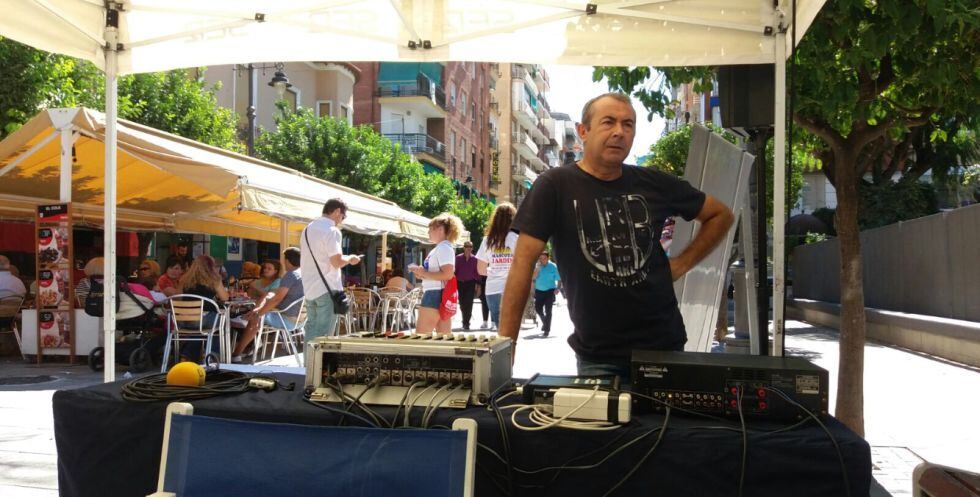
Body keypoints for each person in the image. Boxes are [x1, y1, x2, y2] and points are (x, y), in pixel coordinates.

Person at [499, 92, 735, 382]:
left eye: (628, 125)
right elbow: (522, 267)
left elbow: (721, 215)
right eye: (608, 122)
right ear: (583, 131)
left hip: (664, 349)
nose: (619, 132)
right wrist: (503, 356)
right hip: (599, 358)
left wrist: (682, 263)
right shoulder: (555, 186)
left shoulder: (654, 183)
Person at [301, 198, 361, 340]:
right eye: (343, 216)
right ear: (337, 211)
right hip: (326, 289)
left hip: (309, 289)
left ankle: (308, 362)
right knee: (324, 336)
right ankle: (317, 363)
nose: (342, 220)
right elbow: (337, 262)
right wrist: (351, 258)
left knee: (311, 330)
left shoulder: (307, 228)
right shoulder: (332, 230)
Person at [232, 248, 304, 362]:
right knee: (265, 299)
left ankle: (236, 354)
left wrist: (258, 313)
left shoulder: (291, 275)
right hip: (301, 321)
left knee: (256, 318)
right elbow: (273, 295)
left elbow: (277, 299)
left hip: (286, 319)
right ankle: (249, 343)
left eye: (284, 260)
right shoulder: (304, 274)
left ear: (288, 261)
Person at [411, 213, 464, 335]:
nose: (428, 232)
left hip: (434, 293)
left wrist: (424, 273)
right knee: (444, 337)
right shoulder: (442, 248)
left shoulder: (443, 248)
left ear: (440, 230)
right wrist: (423, 274)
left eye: (430, 229)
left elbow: (448, 274)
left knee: (421, 336)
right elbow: (444, 274)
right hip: (440, 293)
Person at [176, 255, 230, 359]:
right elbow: (225, 298)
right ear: (211, 266)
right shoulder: (214, 280)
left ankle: (189, 354)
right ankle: (213, 354)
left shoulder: (184, 279)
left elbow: (178, 299)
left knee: (202, 327)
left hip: (181, 321)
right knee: (223, 320)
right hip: (202, 320)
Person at [475, 202, 518, 330]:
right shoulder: (517, 238)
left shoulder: (487, 240)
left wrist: (494, 270)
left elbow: (480, 269)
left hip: (492, 289)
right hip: (512, 288)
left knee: (501, 330)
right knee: (511, 330)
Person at [532, 252, 561, 337]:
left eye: (544, 258)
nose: (542, 260)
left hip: (550, 291)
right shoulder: (537, 266)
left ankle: (547, 330)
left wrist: (558, 288)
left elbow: (559, 279)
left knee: (549, 310)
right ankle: (545, 322)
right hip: (539, 290)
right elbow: (533, 278)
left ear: (548, 258)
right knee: (538, 309)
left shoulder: (553, 266)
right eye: (540, 258)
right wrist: (537, 270)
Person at [454, 241, 480, 330]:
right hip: (460, 283)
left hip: (470, 283)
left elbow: (477, 273)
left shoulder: (475, 259)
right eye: (466, 246)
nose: (468, 248)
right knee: (462, 303)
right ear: (464, 248)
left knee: (469, 303)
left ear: (472, 248)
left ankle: (466, 323)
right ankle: (464, 319)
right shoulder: (458, 258)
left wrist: (478, 285)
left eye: (470, 247)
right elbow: (455, 271)